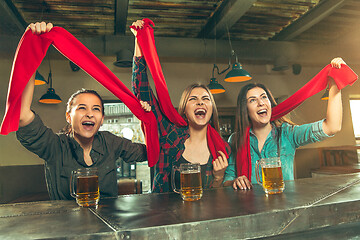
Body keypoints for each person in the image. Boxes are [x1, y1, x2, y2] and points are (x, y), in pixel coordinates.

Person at [16, 22, 150, 200]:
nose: (89, 113)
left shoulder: (111, 142)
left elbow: (148, 152)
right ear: (68, 116)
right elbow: (23, 116)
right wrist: (30, 48)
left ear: (101, 119)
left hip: (109, 223)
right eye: (81, 108)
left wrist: (145, 120)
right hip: (67, 226)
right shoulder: (54, 146)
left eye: (96, 109)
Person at [130, 20, 230, 193]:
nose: (200, 102)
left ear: (211, 108)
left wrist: (219, 178)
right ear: (184, 110)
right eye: (193, 99)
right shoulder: (170, 134)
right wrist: (140, 40)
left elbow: (218, 200)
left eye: (206, 99)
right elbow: (141, 89)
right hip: (164, 217)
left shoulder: (222, 148)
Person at [223, 57, 346, 190]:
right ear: (245, 109)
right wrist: (236, 181)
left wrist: (334, 83)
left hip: (284, 204)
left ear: (270, 103)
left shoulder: (288, 133)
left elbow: (332, 126)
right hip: (250, 207)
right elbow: (227, 180)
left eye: (264, 97)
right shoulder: (235, 139)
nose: (261, 103)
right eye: (252, 100)